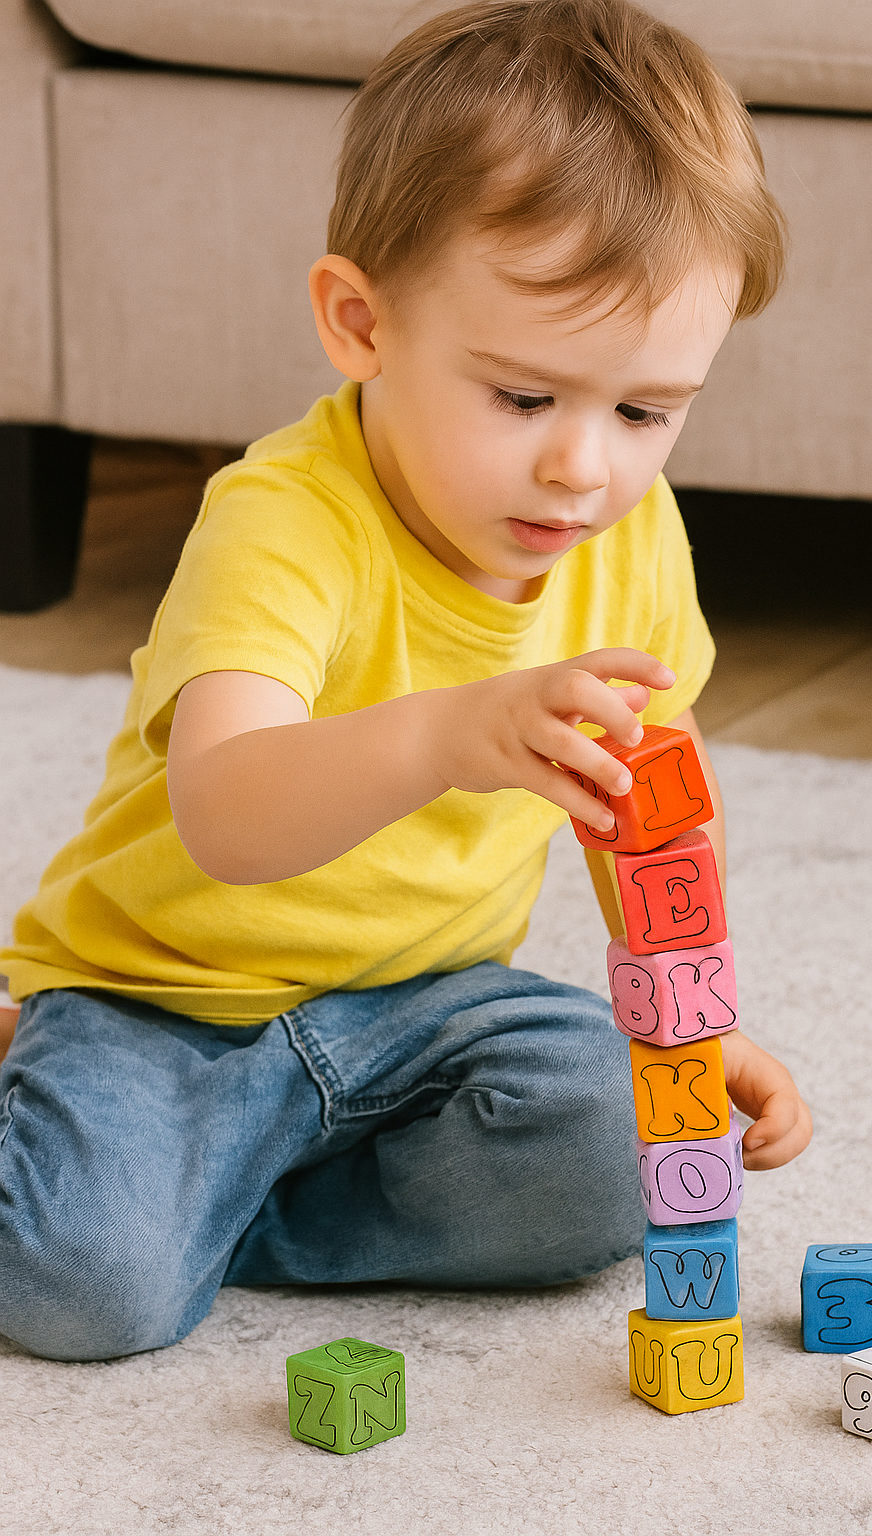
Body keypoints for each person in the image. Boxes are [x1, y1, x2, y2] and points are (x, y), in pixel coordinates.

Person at [0, 0, 811, 1362]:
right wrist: (448, 736)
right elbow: (228, 814)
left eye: (643, 412)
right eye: (523, 398)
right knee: (84, 1289)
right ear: (361, 323)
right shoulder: (283, 521)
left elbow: (653, 803)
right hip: (168, 1006)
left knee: (623, 1154)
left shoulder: (630, 534)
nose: (584, 468)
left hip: (426, 1006)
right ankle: (96, 1145)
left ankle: (208, 1212)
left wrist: (682, 1025)